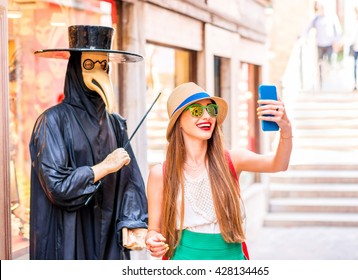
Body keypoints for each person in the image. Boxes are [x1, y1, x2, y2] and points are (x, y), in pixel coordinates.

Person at [29, 25, 148, 259]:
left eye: (103, 64)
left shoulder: (115, 123)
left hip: (109, 244)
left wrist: (133, 220)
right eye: (89, 64)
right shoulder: (52, 121)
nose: (98, 70)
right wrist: (103, 168)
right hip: (69, 239)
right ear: (75, 68)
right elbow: (57, 187)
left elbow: (131, 180)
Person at [145, 82, 292, 260]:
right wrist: (153, 241)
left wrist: (286, 129)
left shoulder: (232, 160)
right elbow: (154, 230)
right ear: (179, 122)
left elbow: (278, 164)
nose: (207, 116)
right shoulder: (161, 173)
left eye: (212, 110)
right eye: (196, 111)